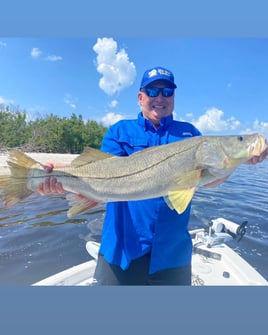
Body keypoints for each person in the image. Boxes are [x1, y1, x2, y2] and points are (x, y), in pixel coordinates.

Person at [38, 66, 268, 285]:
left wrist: (237, 160)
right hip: (122, 252)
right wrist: (58, 175)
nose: (160, 97)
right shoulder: (120, 131)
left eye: (167, 91)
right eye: (152, 91)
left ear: (173, 97)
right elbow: (102, 173)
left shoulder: (190, 134)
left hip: (172, 256)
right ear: (140, 97)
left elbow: (208, 180)